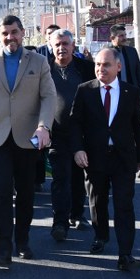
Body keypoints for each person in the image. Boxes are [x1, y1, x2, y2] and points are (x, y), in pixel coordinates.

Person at [0, 15, 55, 266]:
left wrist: (44, 126)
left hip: (28, 138)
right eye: (5, 33)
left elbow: (49, 97)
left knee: (27, 193)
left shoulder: (38, 61)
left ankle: (23, 241)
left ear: (23, 32)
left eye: (14, 32)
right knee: (2, 193)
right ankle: (2, 248)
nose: (10, 37)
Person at [69, 45, 140, 273]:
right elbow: (75, 123)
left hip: (123, 158)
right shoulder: (85, 90)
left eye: (106, 65)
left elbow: (138, 127)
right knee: (97, 201)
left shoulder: (130, 92)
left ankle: (125, 253)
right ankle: (101, 236)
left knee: (124, 205)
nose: (101, 69)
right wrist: (77, 149)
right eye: (97, 64)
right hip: (94, 158)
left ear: (118, 66)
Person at [46, 28, 94, 241]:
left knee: (78, 176)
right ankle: (60, 222)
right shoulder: (44, 69)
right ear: (51, 47)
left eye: (65, 44)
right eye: (57, 44)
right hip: (56, 132)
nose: (61, 48)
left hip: (83, 133)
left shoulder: (86, 68)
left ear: (73, 46)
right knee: (60, 178)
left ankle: (78, 214)